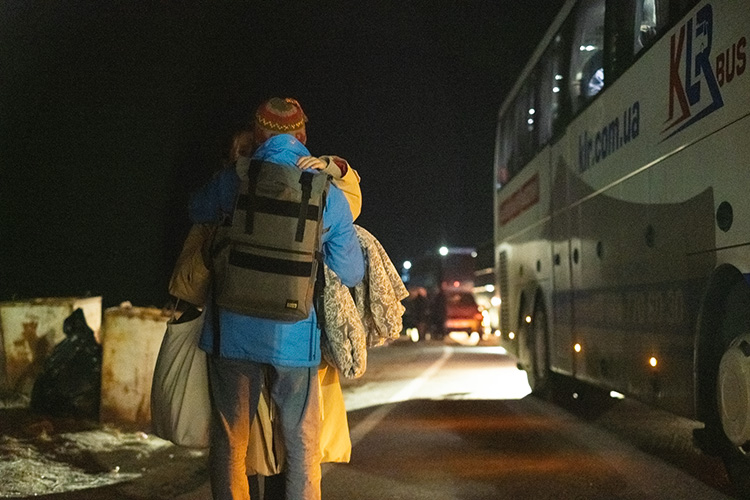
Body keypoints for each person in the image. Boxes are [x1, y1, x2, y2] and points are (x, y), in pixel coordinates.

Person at [189, 97, 365, 500]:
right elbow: (352, 272)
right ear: (302, 136)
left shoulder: (234, 180)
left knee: (231, 439)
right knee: (302, 442)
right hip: (295, 338)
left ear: (258, 134)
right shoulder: (328, 195)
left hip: (231, 333)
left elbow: (196, 209)